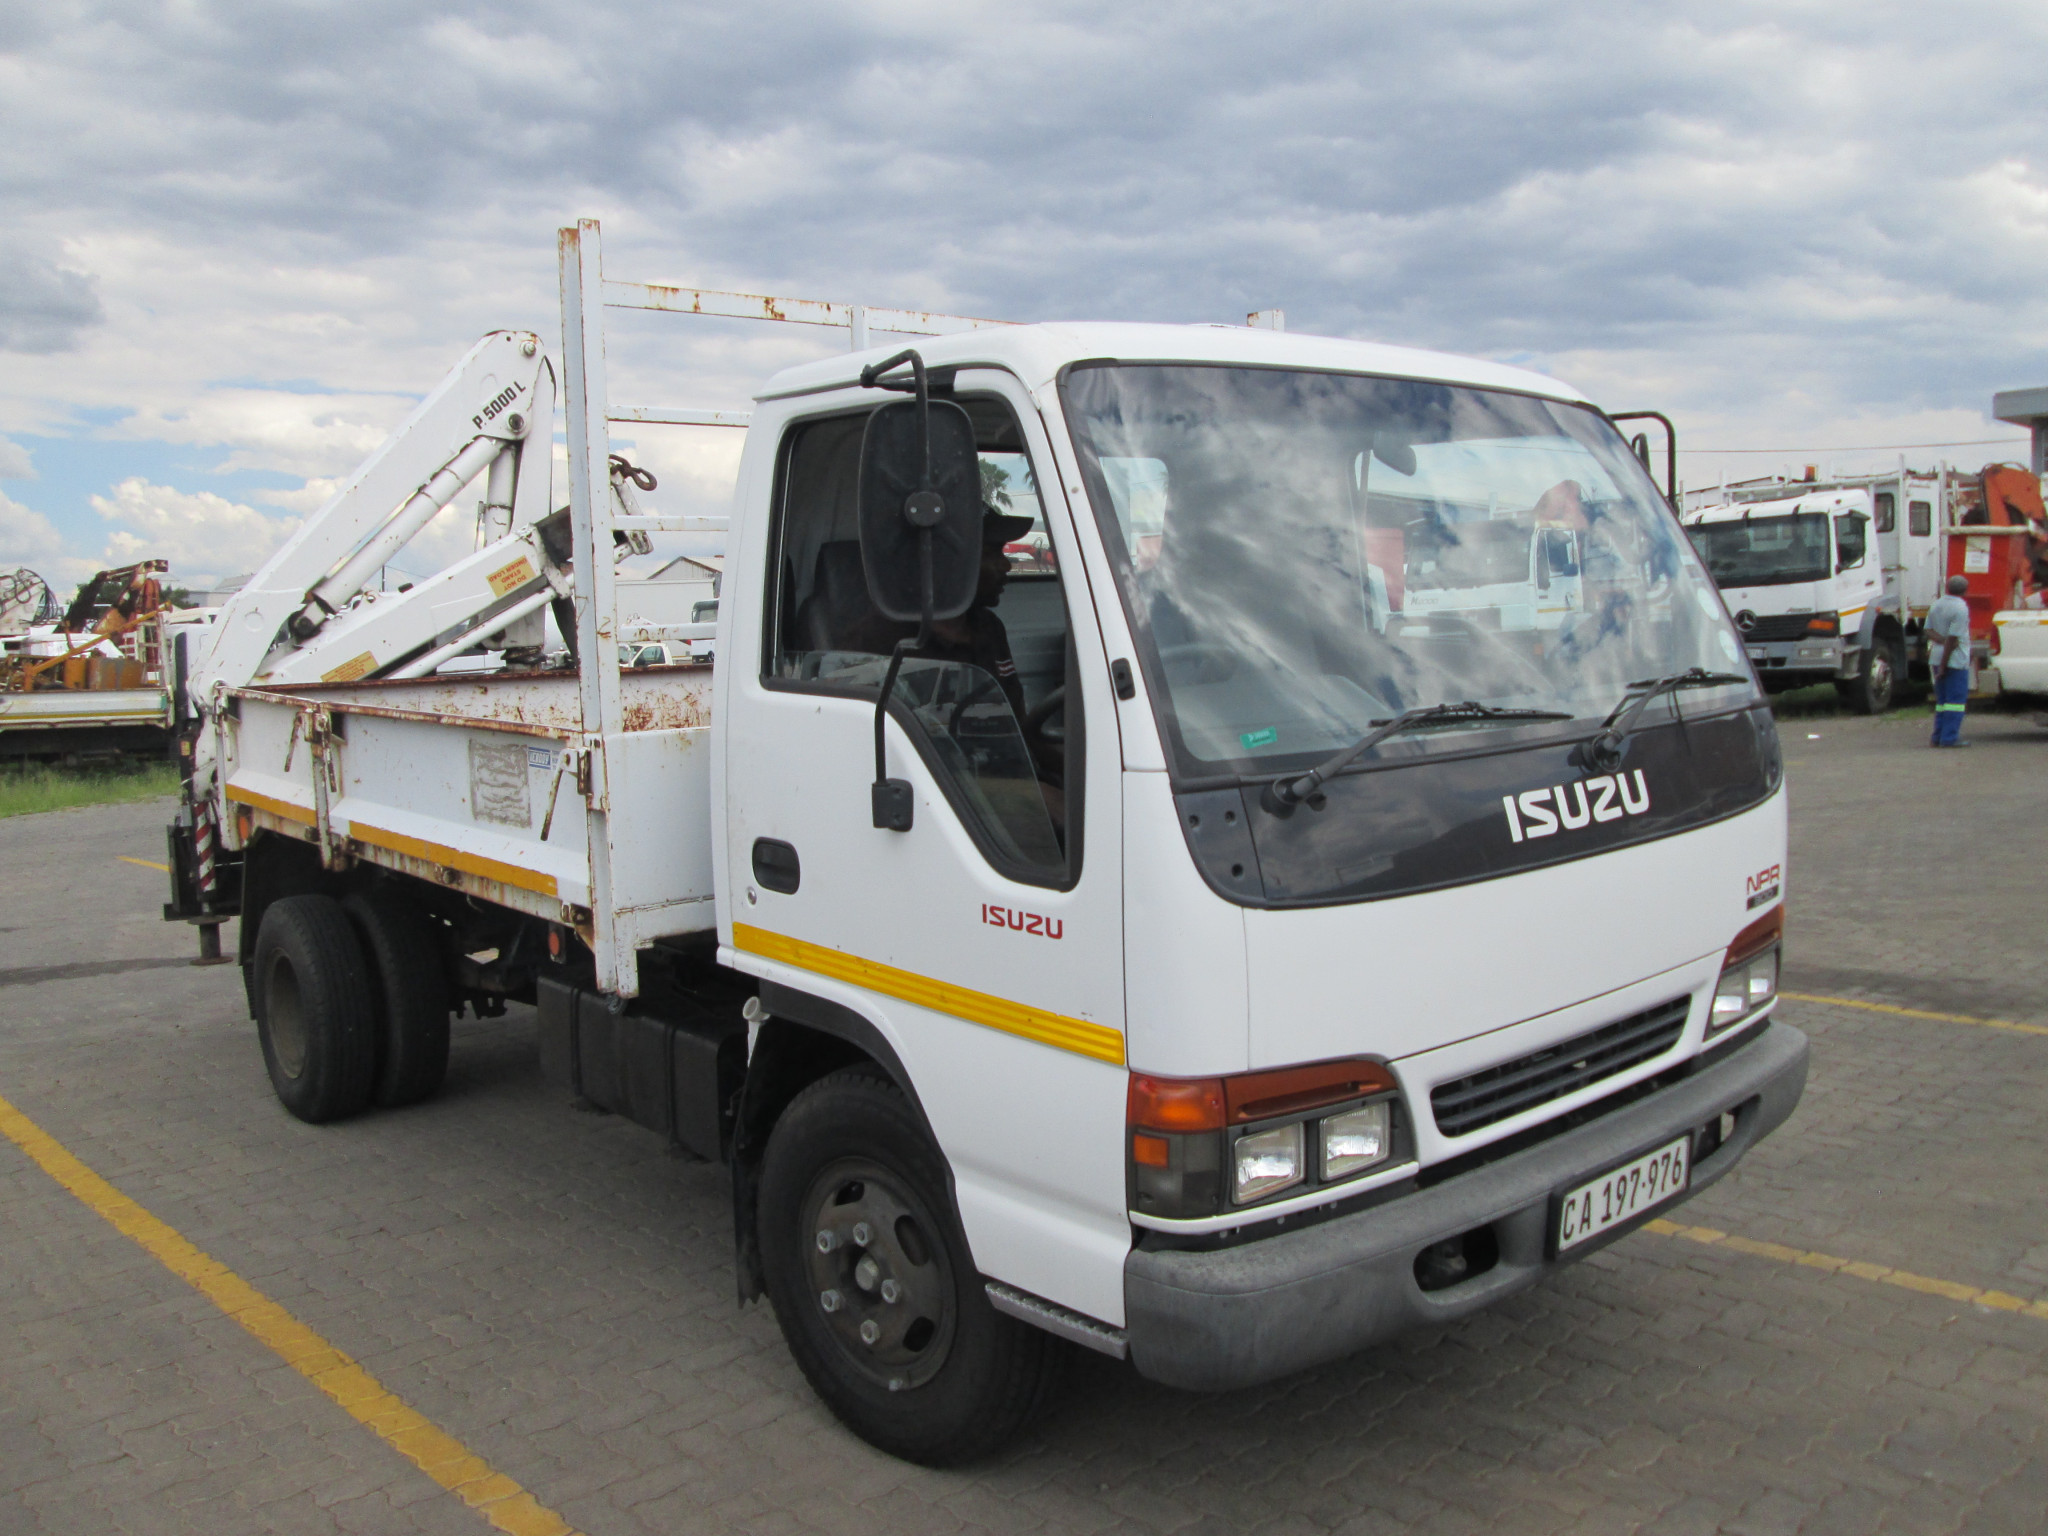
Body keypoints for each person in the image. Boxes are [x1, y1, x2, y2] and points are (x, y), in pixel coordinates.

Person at [1926, 573, 1973, 748]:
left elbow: (1928, 630)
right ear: (1965, 591)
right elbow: (1953, 639)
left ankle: (1937, 736)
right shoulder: (1961, 608)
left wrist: (1941, 641)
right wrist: (1945, 665)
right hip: (1954, 661)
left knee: (1942, 702)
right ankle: (1949, 738)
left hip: (1936, 657)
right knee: (1955, 702)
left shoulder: (1936, 604)